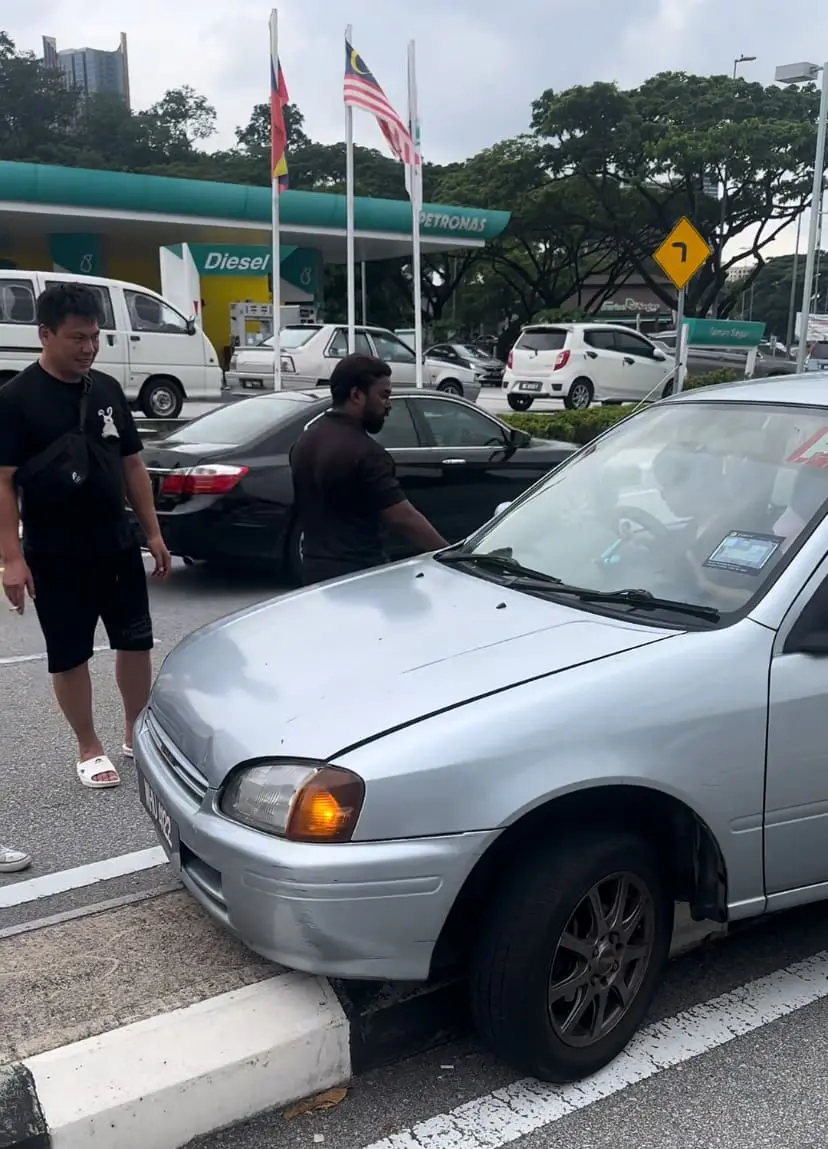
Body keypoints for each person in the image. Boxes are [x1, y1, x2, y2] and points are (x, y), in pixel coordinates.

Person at [0, 282, 172, 790]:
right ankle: (88, 745)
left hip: (116, 543)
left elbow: (133, 464)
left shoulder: (107, 390)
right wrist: (12, 558)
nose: (88, 348)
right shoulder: (14, 400)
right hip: (54, 550)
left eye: (94, 337)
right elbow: (3, 482)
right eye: (77, 338)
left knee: (135, 642)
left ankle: (134, 731)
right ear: (45, 334)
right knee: (70, 651)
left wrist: (154, 533)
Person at [290, 353, 448, 584]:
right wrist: (448, 554)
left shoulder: (303, 442)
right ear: (356, 395)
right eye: (383, 396)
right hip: (360, 576)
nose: (388, 405)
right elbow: (403, 518)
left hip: (312, 574)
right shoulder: (367, 453)